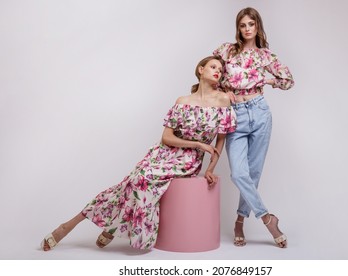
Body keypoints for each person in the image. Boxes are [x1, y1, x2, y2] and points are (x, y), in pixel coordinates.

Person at [41, 55, 236, 251]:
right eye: (213, 66)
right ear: (200, 70)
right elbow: (166, 138)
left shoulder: (223, 100)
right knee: (128, 183)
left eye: (220, 69)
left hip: (187, 160)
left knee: (142, 179)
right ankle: (74, 226)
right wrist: (198, 144)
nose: (217, 71)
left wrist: (210, 168)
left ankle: (87, 226)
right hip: (162, 153)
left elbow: (220, 141)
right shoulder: (183, 101)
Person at [213, 7, 294, 248]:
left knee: (253, 173)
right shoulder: (226, 51)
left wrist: (267, 79)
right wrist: (226, 92)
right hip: (235, 115)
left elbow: (288, 80)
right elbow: (210, 74)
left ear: (257, 26)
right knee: (239, 173)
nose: (247, 29)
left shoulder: (265, 56)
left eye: (251, 24)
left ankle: (239, 220)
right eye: (243, 25)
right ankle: (267, 218)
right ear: (238, 28)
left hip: (259, 111)